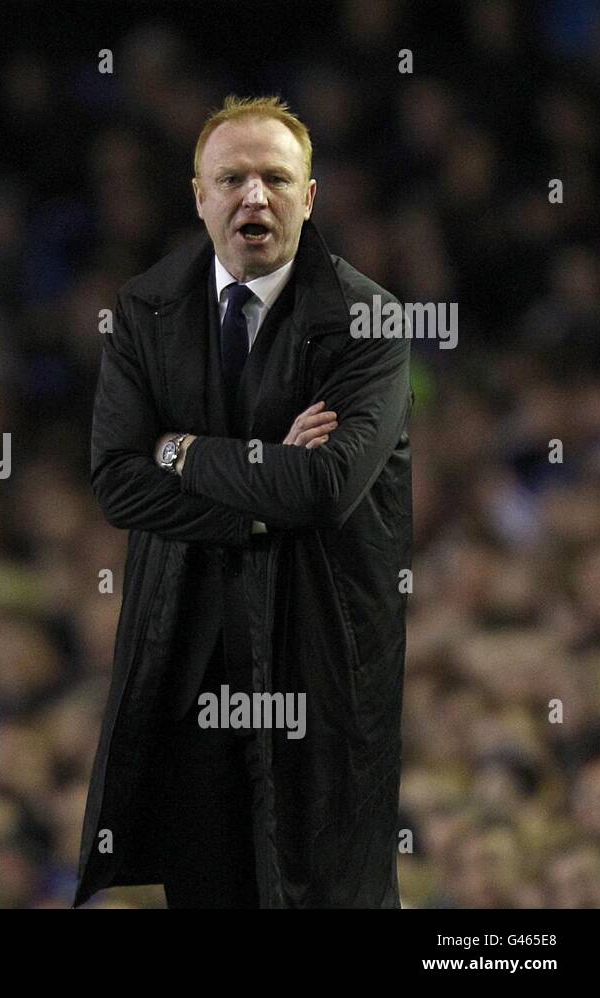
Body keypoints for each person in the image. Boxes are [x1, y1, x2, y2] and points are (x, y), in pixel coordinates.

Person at [75, 95, 413, 908]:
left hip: (317, 663)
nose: (252, 197)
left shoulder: (368, 322)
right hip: (187, 657)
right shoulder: (144, 312)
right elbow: (118, 477)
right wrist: (262, 496)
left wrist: (182, 449)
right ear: (199, 195)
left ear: (309, 196)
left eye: (274, 178)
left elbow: (326, 486)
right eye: (232, 178)